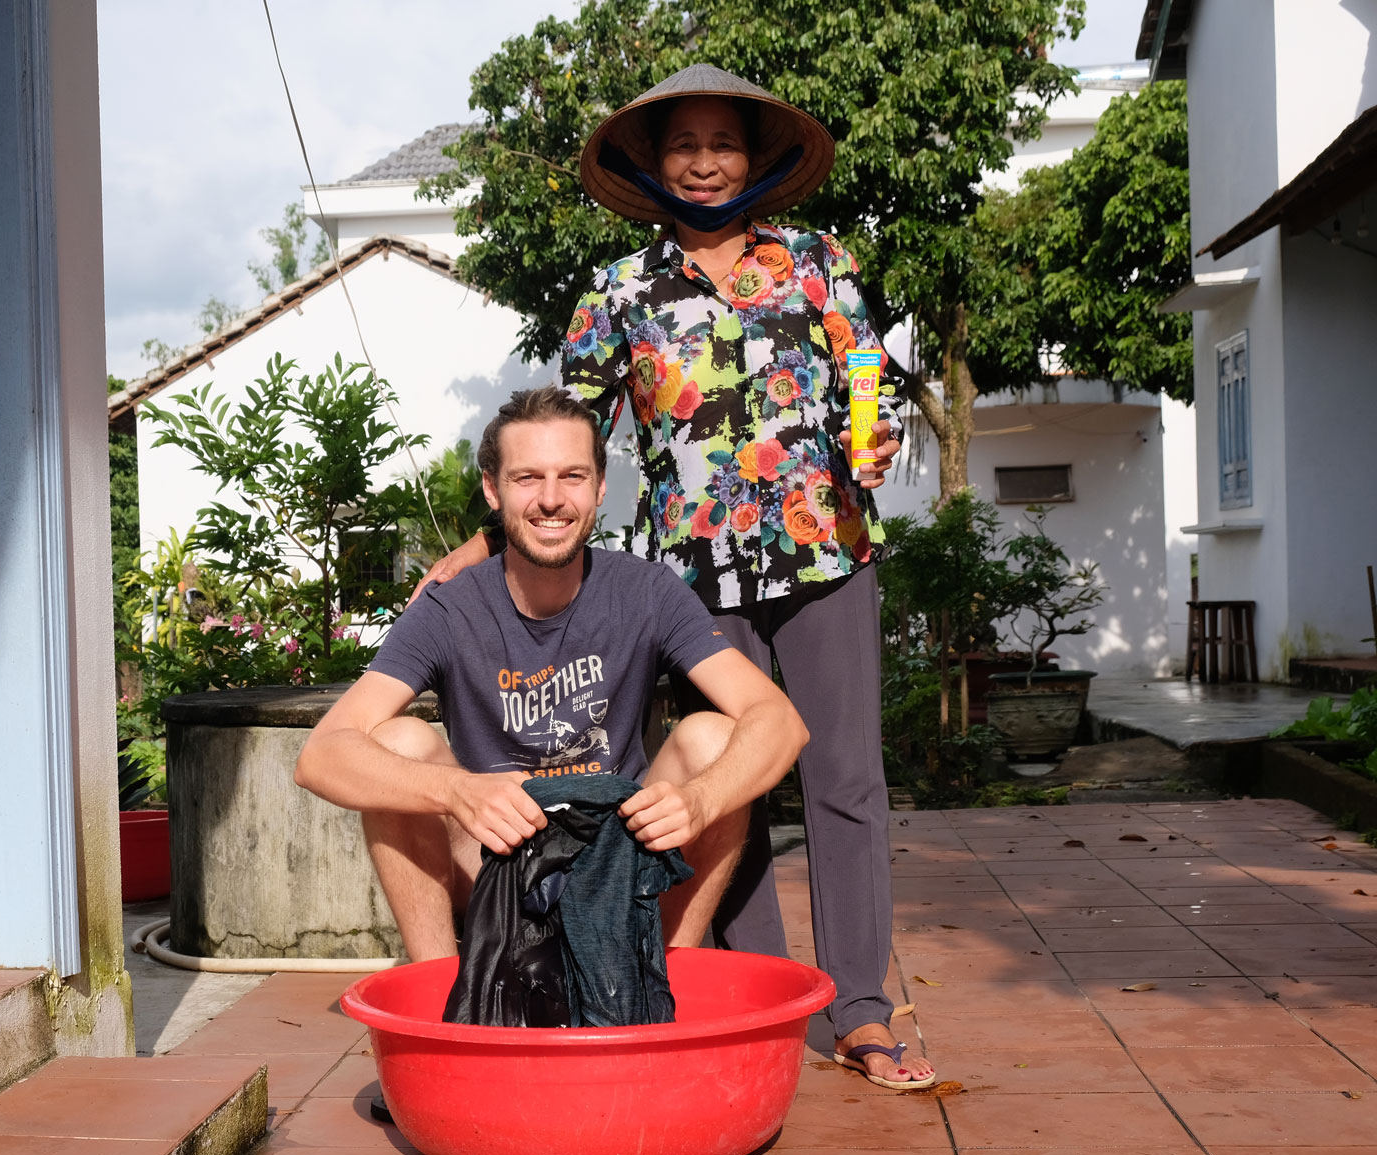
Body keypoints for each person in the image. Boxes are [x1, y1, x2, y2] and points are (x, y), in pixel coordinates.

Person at [413, 65, 935, 1090]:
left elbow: (865, 371)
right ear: (653, 166)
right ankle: (768, 993)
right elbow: (565, 437)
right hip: (692, 579)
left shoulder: (817, 262)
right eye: (682, 145)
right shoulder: (619, 291)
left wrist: (871, 438)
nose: (704, 161)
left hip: (827, 553)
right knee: (722, 775)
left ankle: (864, 1012)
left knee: (845, 782)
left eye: (723, 142)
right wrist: (480, 550)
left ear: (757, 156)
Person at [294, 386, 808, 966]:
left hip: (621, 861)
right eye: (527, 478)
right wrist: (458, 789)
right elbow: (323, 756)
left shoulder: (647, 592)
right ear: (493, 489)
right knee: (395, 742)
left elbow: (780, 721)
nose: (551, 499)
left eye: (572, 476)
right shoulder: (448, 609)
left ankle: (665, 977)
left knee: (713, 738)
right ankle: (442, 992)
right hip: (494, 860)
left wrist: (699, 800)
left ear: (598, 487)